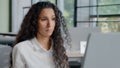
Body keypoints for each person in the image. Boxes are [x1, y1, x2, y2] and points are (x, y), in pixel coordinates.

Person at [10, 1, 71, 68]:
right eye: (44, 19)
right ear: (34, 22)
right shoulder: (21, 49)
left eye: (53, 19)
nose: (49, 24)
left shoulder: (58, 48)